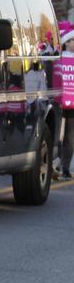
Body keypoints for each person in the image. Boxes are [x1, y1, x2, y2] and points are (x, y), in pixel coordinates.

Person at [59, 30, 74, 180]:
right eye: (72, 40)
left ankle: (65, 168)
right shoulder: (59, 58)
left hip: (72, 105)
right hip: (59, 102)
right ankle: (55, 164)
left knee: (70, 137)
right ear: (67, 43)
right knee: (58, 135)